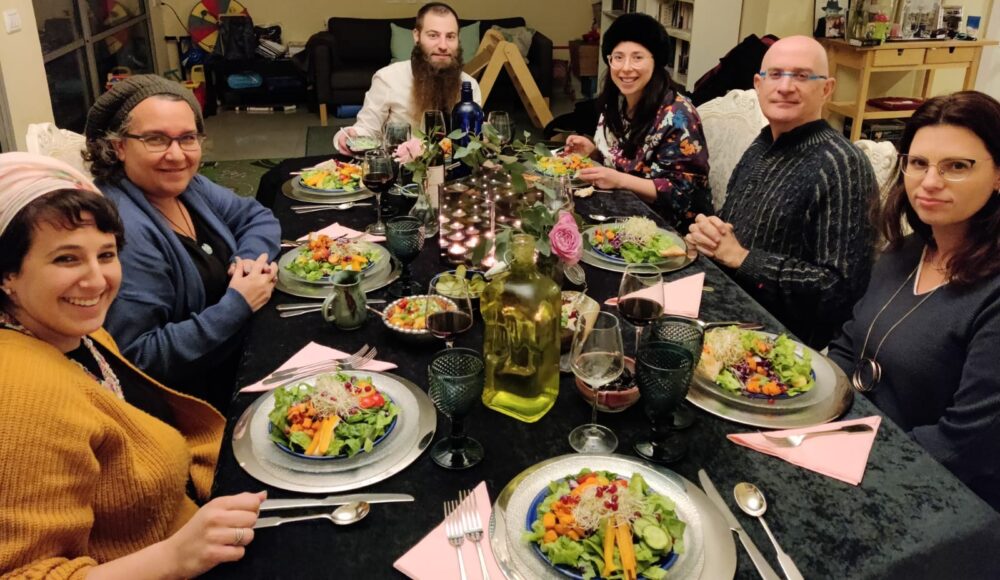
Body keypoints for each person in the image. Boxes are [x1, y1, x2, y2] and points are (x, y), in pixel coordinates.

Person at [0, 152, 264, 578]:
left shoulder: (79, 334)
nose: (96, 280)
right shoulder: (21, 390)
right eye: (66, 259)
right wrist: (174, 558)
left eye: (105, 255)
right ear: (6, 275)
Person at [828, 91, 1000, 511]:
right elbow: (850, 346)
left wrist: (841, 459)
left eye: (957, 166)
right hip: (849, 443)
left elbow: (961, 446)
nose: (930, 182)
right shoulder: (905, 251)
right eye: (918, 162)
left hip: (933, 493)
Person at [84, 74, 281, 410]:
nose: (176, 155)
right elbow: (138, 357)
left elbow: (256, 216)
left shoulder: (188, 187)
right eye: (156, 140)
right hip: (198, 399)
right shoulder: (123, 231)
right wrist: (237, 304)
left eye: (187, 138)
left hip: (238, 349)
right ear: (118, 147)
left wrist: (246, 259)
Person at [685, 35, 876, 348]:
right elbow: (734, 234)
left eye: (801, 76)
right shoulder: (761, 145)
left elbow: (840, 291)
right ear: (758, 85)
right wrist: (710, 236)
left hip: (778, 344)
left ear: (826, 89)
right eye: (775, 75)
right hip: (726, 309)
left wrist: (743, 258)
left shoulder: (842, 165)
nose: (785, 87)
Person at [563, 12, 712, 232]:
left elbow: (684, 194)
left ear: (656, 61)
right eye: (618, 57)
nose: (626, 68)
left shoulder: (678, 115)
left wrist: (619, 180)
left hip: (667, 231)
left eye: (638, 57)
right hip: (620, 212)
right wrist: (594, 153)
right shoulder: (617, 103)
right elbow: (626, 163)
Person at [333, 2, 482, 155]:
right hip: (400, 173)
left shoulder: (469, 85)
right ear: (417, 36)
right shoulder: (387, 78)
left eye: (450, 36)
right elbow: (366, 129)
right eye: (433, 35)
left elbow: (473, 142)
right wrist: (350, 136)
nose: (443, 45)